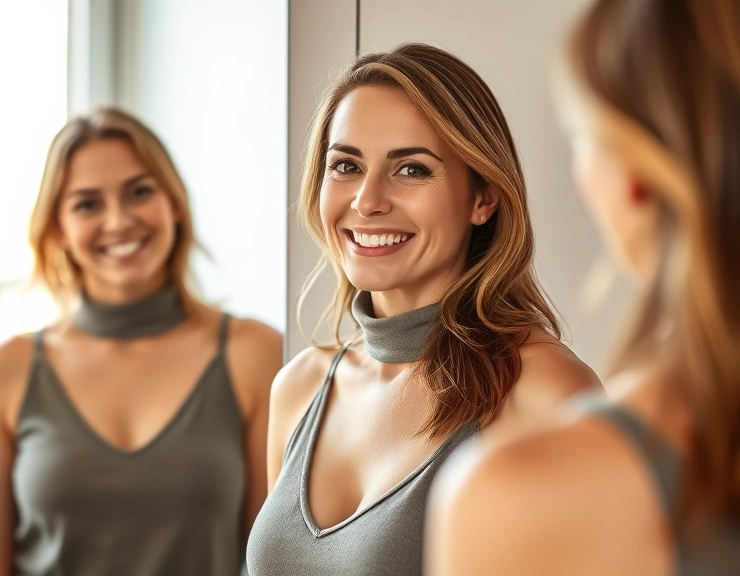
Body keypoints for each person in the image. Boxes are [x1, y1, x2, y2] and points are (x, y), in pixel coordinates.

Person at [245, 43, 601, 576]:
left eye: (411, 170)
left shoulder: (546, 392)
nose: (367, 200)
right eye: (345, 165)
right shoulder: (297, 389)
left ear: (483, 197)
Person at [426, 1, 740, 574]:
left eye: (580, 136)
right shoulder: (298, 385)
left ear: (636, 178)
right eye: (343, 165)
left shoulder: (518, 491)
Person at [0, 107, 282, 576]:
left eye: (139, 192)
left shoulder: (254, 353)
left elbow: (273, 559)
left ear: (173, 203)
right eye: (87, 204)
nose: (118, 221)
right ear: (58, 228)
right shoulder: (6, 369)